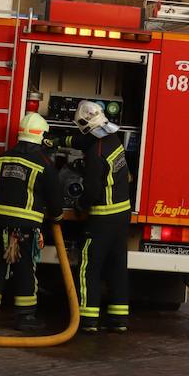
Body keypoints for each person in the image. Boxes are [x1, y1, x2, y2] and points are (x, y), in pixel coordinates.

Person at [0, 111, 64, 331]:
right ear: (42, 136)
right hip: (25, 226)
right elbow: (55, 200)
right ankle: (25, 317)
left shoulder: (3, 157)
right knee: (25, 268)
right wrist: (58, 216)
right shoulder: (44, 164)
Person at [74, 99, 132, 333]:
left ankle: (88, 320)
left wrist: (79, 204)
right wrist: (61, 140)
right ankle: (118, 319)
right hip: (121, 216)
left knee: (90, 268)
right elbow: (85, 140)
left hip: (102, 219)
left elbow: (92, 192)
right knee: (117, 266)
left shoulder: (95, 154)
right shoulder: (113, 140)